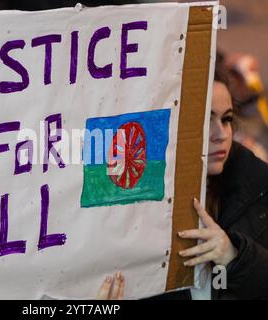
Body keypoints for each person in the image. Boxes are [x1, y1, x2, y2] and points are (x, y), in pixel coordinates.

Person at [97, 66, 268, 300]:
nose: (222, 134)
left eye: (227, 119)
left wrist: (235, 256)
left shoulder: (257, 186)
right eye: (205, 120)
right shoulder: (129, 211)